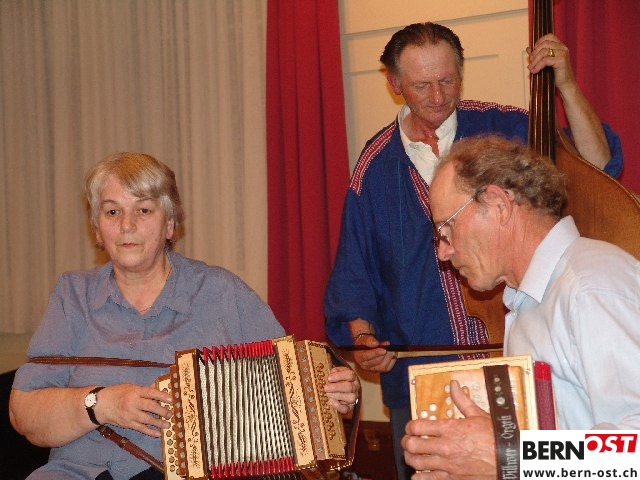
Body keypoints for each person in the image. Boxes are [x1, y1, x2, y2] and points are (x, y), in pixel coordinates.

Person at [324, 22, 624, 480]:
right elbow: (353, 279)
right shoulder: (374, 167)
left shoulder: (505, 130)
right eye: (422, 85)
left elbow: (598, 167)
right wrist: (363, 340)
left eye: (448, 81)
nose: (438, 96)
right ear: (394, 82)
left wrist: (566, 85)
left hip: (506, 369)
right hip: (426, 383)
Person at [9, 152, 360, 480]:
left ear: (170, 225)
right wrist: (102, 403)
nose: (127, 225)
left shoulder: (223, 293)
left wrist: (334, 394)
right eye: (112, 212)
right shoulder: (73, 296)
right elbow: (23, 414)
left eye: (144, 210)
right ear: (97, 230)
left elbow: (298, 394)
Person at [401, 134, 640, 478]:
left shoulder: (591, 286)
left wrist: (512, 456)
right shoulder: (526, 302)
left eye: (447, 227)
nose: (443, 251)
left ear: (498, 204)